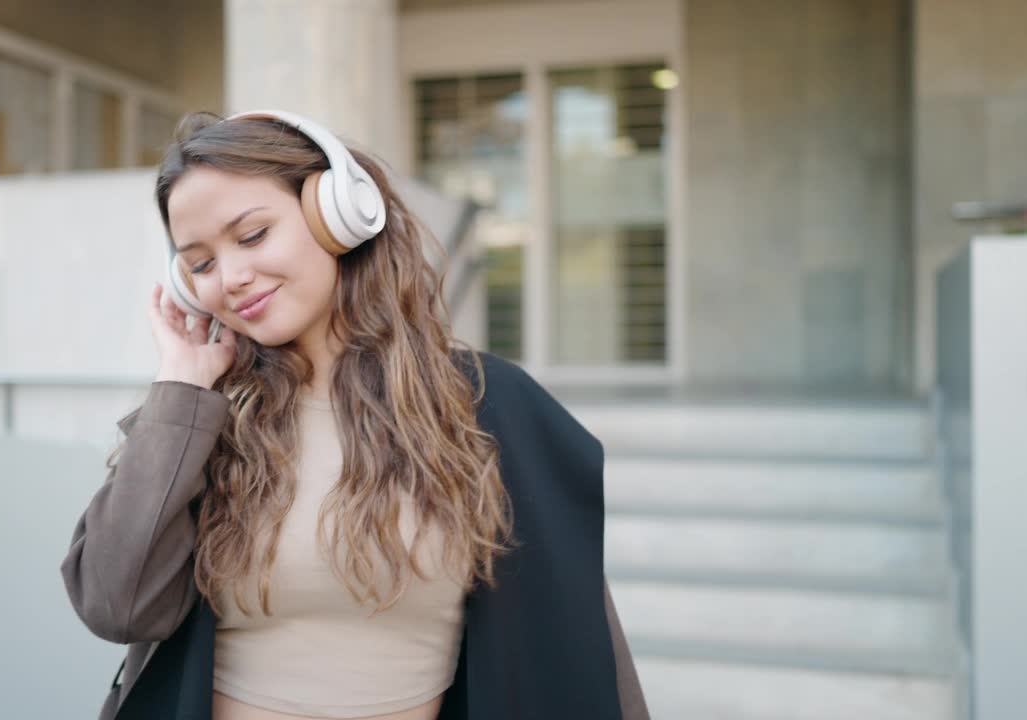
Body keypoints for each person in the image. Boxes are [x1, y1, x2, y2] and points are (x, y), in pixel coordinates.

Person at [60, 110, 650, 720]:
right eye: (201, 264)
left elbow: (581, 646)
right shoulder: (201, 419)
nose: (231, 277)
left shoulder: (487, 406)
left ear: (338, 214)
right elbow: (115, 605)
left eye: (253, 235)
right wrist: (180, 388)